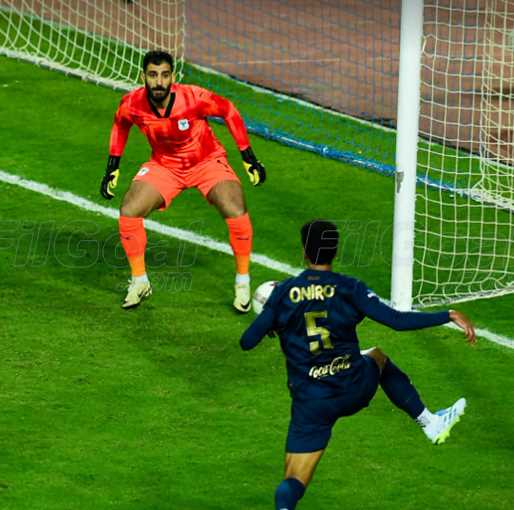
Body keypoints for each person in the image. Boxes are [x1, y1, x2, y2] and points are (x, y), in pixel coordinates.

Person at [240, 219, 476, 510]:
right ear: (335, 251)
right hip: (353, 385)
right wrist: (447, 315)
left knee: (292, 482)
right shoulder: (349, 288)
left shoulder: (283, 293)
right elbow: (397, 321)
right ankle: (430, 423)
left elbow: (247, 341)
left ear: (304, 250)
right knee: (377, 357)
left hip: (311, 402)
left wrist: (272, 322)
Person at [101, 50, 266, 311]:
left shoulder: (193, 98)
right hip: (165, 165)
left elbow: (229, 111)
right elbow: (120, 123)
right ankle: (140, 281)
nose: (159, 82)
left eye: (164, 75)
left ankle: (242, 282)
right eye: (153, 75)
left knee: (235, 209)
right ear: (143, 76)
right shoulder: (132, 103)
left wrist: (248, 157)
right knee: (129, 211)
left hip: (207, 162)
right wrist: (113, 165)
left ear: (172, 77)